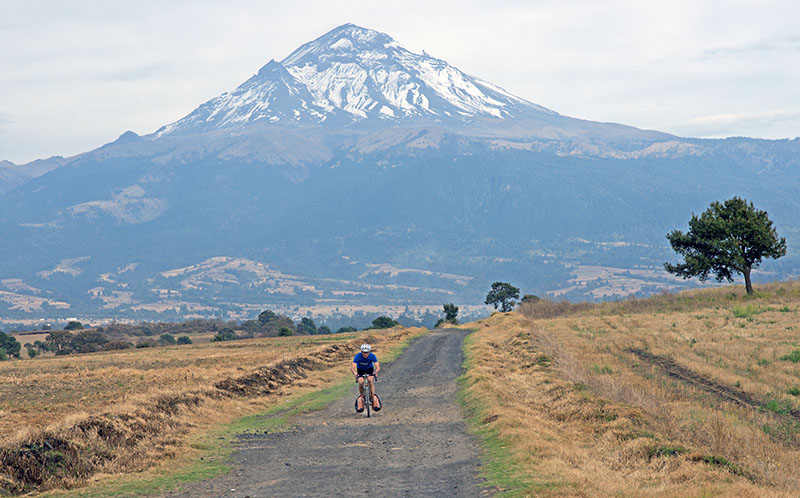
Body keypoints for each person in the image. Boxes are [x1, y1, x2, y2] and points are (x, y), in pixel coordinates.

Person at [352, 343, 381, 412]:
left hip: (369, 369)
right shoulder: (357, 356)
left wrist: (375, 371)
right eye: (364, 352)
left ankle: (373, 396)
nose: (365, 354)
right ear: (361, 352)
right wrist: (355, 373)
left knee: (370, 380)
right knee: (361, 382)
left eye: (367, 352)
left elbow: (377, 366)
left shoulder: (372, 356)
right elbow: (353, 367)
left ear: (369, 352)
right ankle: (362, 396)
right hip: (360, 370)